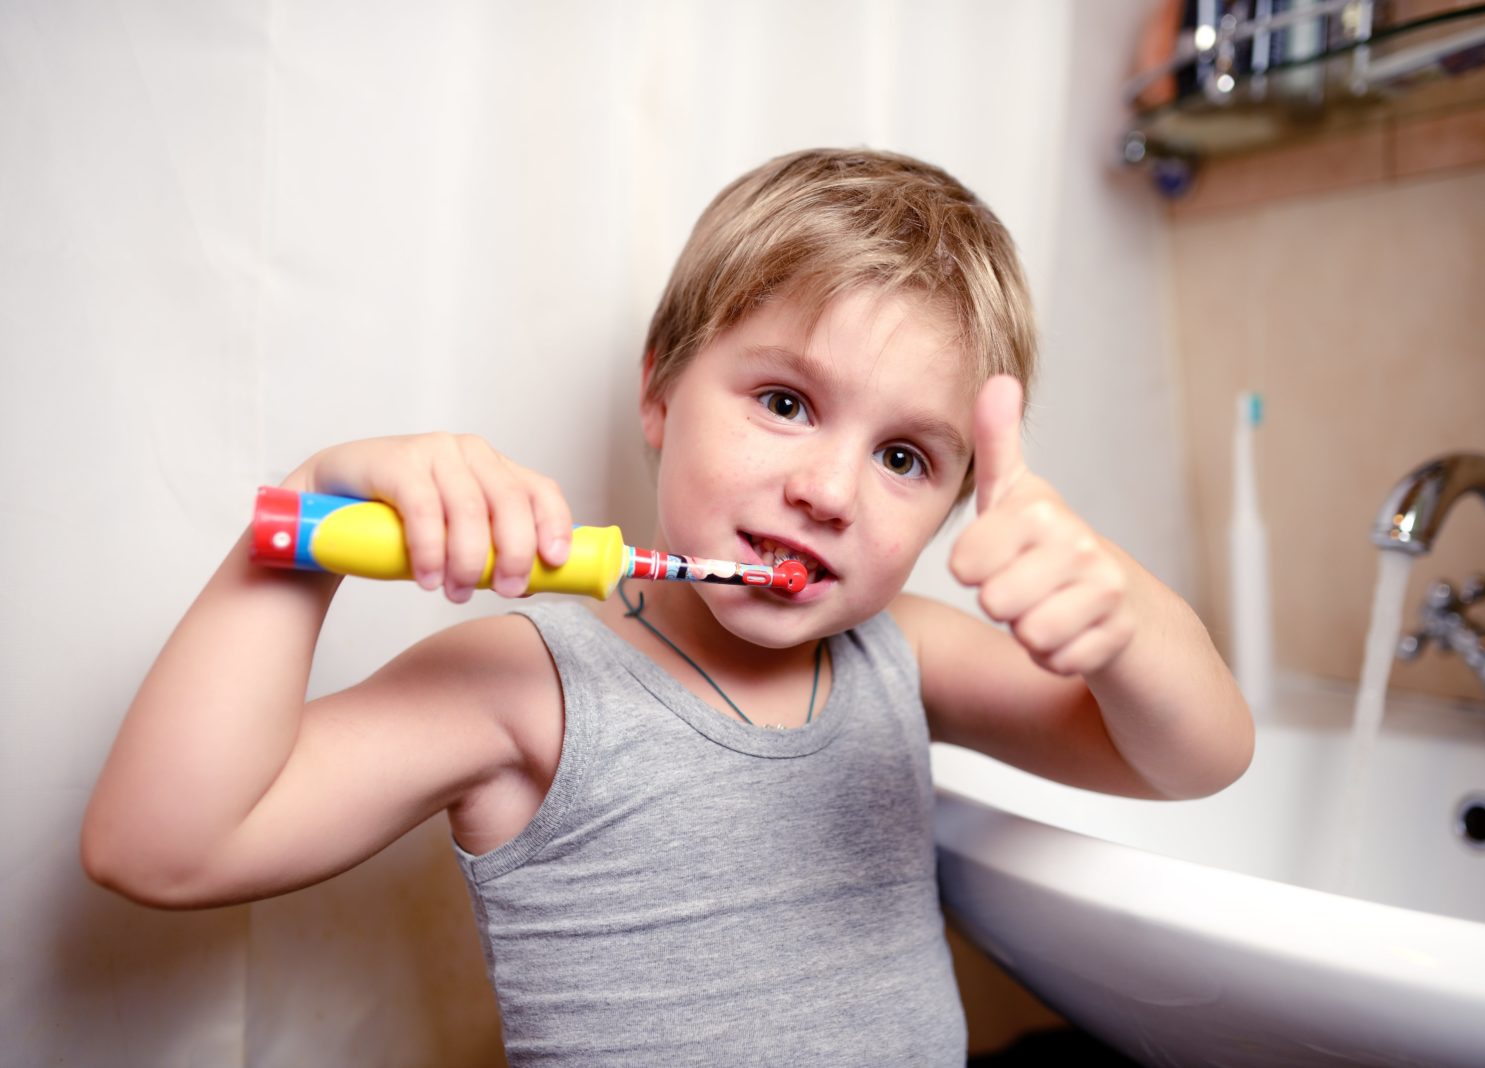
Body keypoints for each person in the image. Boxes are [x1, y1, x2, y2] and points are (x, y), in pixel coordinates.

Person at [82, 148, 1253, 1064]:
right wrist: (306, 525)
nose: (829, 490)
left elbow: (1192, 761)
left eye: (904, 458)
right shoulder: (530, 687)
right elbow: (161, 850)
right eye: (786, 403)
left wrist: (1127, 612)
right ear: (658, 390)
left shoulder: (903, 655)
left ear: (951, 501)